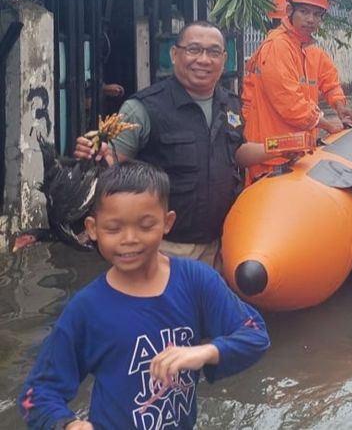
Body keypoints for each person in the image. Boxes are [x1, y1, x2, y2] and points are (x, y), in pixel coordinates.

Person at [18, 162, 270, 430]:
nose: (129, 239)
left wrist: (205, 352)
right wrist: (68, 424)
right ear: (93, 229)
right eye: (113, 229)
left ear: (167, 222)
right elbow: (36, 395)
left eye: (146, 226)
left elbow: (255, 336)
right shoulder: (87, 308)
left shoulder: (196, 280)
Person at [74, 20, 272, 265]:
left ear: (224, 59)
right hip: (166, 248)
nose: (203, 59)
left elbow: (235, 152)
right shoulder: (143, 108)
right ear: (175, 54)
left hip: (222, 243)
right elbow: (113, 167)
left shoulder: (229, 102)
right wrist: (96, 156)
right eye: (194, 49)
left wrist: (278, 149)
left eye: (213, 52)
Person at [241, 0, 352, 181]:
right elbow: (289, 101)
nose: (310, 19)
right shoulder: (278, 46)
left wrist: (341, 107)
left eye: (317, 14)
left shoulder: (310, 50)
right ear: (289, 11)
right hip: (270, 153)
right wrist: (326, 124)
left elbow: (330, 82)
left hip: (297, 151)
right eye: (304, 12)